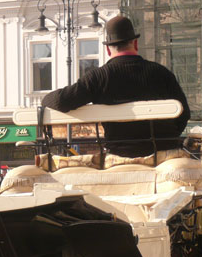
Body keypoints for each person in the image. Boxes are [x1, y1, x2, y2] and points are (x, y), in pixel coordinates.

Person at [41, 15, 191, 158]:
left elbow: (62, 101)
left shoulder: (99, 77)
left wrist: (45, 99)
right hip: (163, 152)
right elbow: (184, 115)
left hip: (121, 154)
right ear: (135, 44)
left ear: (108, 50)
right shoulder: (161, 73)